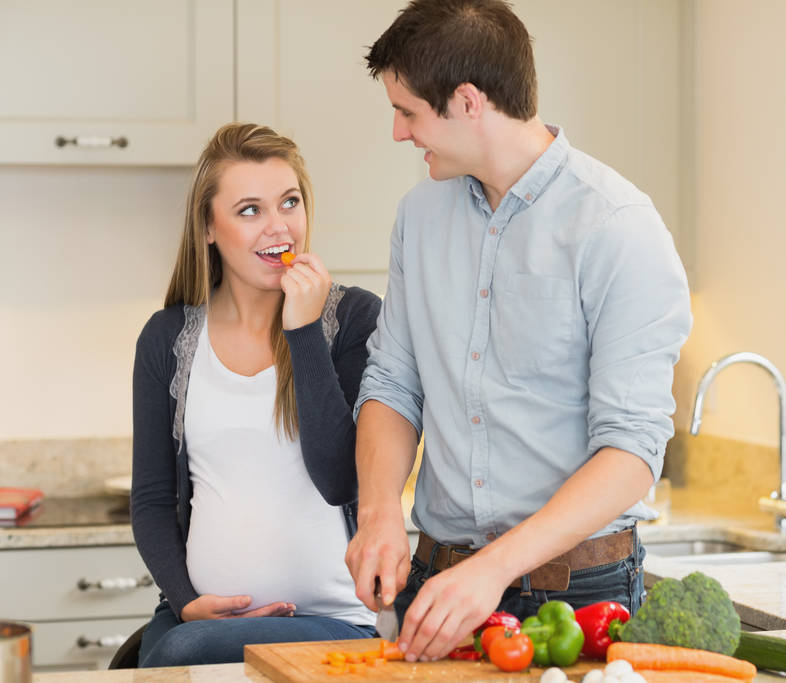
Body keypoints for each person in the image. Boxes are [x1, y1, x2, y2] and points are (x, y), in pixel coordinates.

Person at [346, 0, 693, 664]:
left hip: (581, 596)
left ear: (469, 102)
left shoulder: (618, 228)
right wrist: (380, 509)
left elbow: (630, 453)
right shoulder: (419, 216)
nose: (397, 132)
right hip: (440, 584)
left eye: (408, 111)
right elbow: (393, 383)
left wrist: (493, 568)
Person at [131, 122, 381, 667]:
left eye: (289, 202)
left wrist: (304, 332)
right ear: (208, 229)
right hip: (194, 621)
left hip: (336, 623)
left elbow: (340, 479)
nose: (279, 228)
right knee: (173, 652)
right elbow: (151, 500)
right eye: (250, 210)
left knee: (177, 657)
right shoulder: (168, 337)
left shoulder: (354, 318)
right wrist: (189, 603)